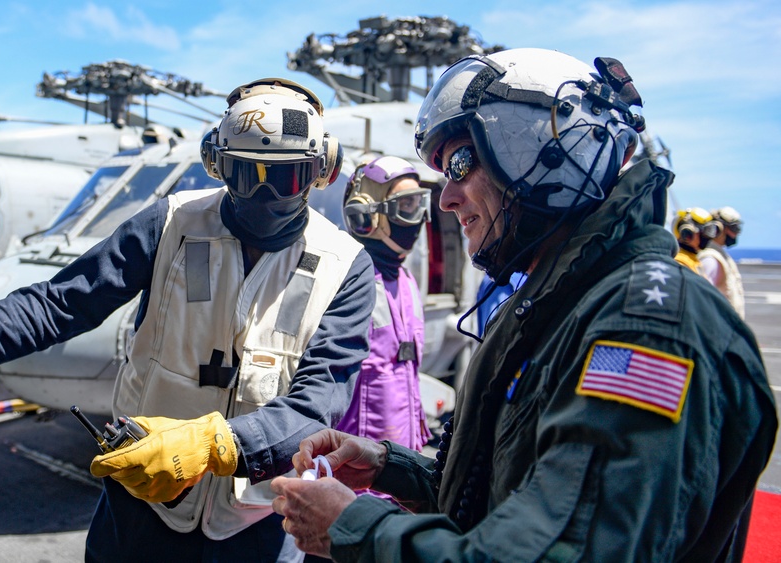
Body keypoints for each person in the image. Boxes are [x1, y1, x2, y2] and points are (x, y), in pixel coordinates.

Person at [0, 78, 376, 563]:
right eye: (248, 176)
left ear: (322, 171)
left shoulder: (346, 268)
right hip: (140, 505)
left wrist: (214, 443)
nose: (268, 195)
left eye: (289, 177)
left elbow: (314, 406)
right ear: (216, 165)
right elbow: (59, 304)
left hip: (251, 520)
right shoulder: (170, 225)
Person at [270, 48, 777, 561]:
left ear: (541, 153)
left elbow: (555, 550)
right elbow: (507, 497)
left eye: (460, 164)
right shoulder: (559, 304)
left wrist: (353, 527)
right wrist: (388, 466)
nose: (444, 199)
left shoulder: (644, 328)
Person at [336, 155, 432, 452]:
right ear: (365, 215)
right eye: (405, 206)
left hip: (400, 462)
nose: (416, 219)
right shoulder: (345, 281)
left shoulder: (405, 280)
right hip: (355, 466)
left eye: (417, 205)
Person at [700, 206, 745, 318]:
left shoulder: (720, 255)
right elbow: (703, 297)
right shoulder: (710, 259)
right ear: (718, 229)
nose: (736, 234)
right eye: (733, 228)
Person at [672, 206, 719, 273]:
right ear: (688, 233)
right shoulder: (680, 262)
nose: (707, 236)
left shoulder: (693, 260)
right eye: (705, 231)